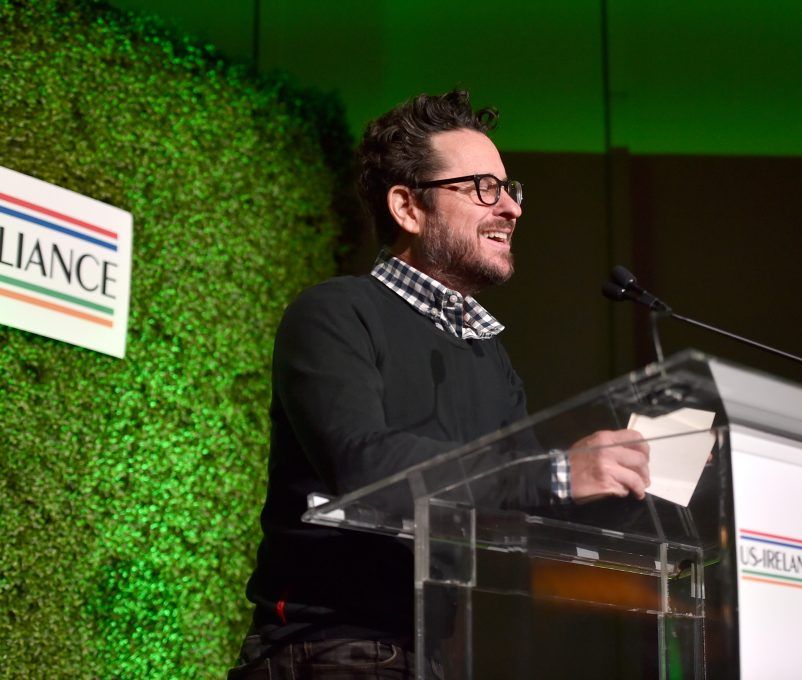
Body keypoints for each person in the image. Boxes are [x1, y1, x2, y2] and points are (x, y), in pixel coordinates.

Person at [229, 90, 651, 679]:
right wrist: (556, 472)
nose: (511, 209)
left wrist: (636, 490)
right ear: (407, 207)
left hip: (433, 656)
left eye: (510, 189)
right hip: (329, 653)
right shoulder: (334, 313)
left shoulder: (488, 354)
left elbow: (521, 500)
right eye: (483, 187)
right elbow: (367, 466)